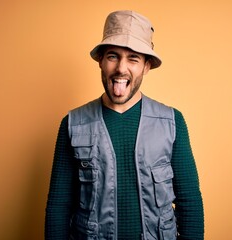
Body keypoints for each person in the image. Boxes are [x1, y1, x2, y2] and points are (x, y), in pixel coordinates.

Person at [45, 10, 204, 240]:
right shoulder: (72, 124)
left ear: (146, 66)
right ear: (100, 60)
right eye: (113, 56)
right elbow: (59, 205)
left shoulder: (172, 122)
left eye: (133, 58)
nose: (121, 68)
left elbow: (189, 202)